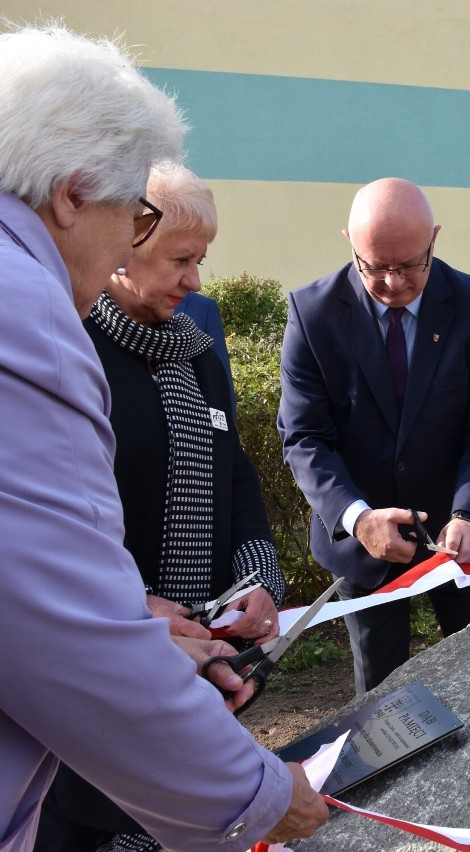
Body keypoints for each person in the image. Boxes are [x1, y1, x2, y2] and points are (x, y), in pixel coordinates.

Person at [0, 23, 326, 851]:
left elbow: (229, 467)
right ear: (74, 193)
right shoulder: (37, 318)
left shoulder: (196, 338)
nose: (184, 274)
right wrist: (252, 793)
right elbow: (65, 624)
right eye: (137, 218)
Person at [37, 162, 287, 851]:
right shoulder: (67, 340)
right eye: (182, 259)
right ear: (126, 247)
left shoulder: (195, 341)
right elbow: (51, 522)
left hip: (202, 663)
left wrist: (260, 578)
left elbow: (231, 471)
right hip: (104, 660)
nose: (197, 281)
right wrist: (136, 605)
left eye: (201, 260)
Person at [278, 177, 470, 694]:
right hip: (362, 544)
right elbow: (305, 438)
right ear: (349, 242)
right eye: (375, 266)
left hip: (462, 542)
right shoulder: (312, 314)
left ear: (434, 238)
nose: (392, 282)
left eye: (410, 264)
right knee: (381, 708)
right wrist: (356, 517)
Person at [177, 291, 237, 414]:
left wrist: (228, 426)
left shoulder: (203, 306)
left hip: (195, 418)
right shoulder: (127, 309)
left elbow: (220, 374)